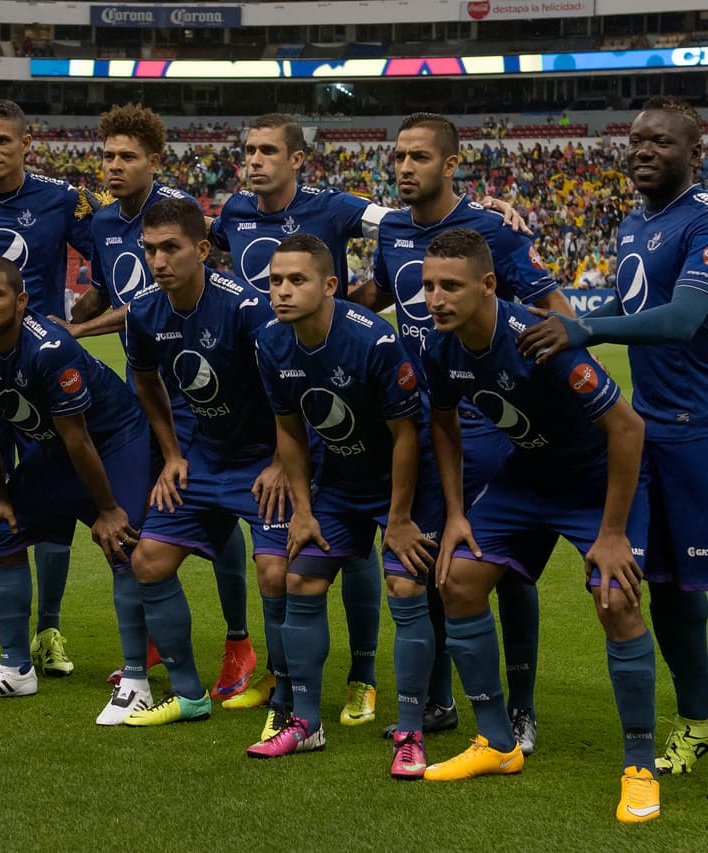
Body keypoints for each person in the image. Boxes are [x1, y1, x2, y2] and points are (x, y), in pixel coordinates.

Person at [517, 96, 708, 800]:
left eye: (660, 142)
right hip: (651, 424)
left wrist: (587, 331)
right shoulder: (636, 222)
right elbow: (632, 307)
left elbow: (687, 318)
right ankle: (701, 715)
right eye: (635, 141)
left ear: (694, 153)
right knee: (661, 582)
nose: (641, 151)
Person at [352, 112, 575, 753]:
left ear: (451, 164)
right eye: (398, 157)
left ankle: (522, 709)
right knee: (434, 563)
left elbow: (552, 307)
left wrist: (554, 385)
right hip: (417, 422)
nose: (404, 168)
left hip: (489, 424)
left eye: (419, 157)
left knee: (501, 568)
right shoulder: (392, 229)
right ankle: (444, 701)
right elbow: (377, 292)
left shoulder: (492, 230)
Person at [418, 228, 658, 823]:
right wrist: (454, 514)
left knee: (615, 597)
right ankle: (498, 744)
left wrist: (611, 534)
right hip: (527, 478)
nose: (437, 298)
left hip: (595, 482)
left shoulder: (536, 339)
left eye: (451, 286)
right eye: (428, 286)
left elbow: (628, 429)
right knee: (459, 582)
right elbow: (443, 427)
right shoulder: (439, 346)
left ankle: (641, 765)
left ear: (488, 285)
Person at [58, 103, 257, 701]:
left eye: (126, 157)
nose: (113, 168)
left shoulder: (177, 215)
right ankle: (151, 640)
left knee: (216, 520)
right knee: (147, 516)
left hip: (208, 385)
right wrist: (75, 315)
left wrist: (77, 332)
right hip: (149, 388)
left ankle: (238, 641)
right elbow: (106, 287)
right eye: (108, 157)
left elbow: (153, 294)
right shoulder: (100, 222)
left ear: (154, 161)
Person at [207, 112, 392, 721]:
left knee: (355, 543)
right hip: (272, 384)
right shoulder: (232, 213)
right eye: (248, 150)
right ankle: (283, 677)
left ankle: (362, 673)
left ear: (296, 160)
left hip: (333, 390)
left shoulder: (334, 208)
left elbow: (402, 223)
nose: (254, 160)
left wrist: (368, 299)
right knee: (280, 551)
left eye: (267, 151)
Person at [251, 235, 445, 778]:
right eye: (275, 281)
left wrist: (400, 519)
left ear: (330, 285)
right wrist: (305, 511)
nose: (282, 291)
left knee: (406, 586)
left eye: (297, 280)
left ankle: (409, 731)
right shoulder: (271, 342)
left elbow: (407, 434)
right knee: (301, 581)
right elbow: (289, 431)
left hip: (405, 480)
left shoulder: (373, 340)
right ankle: (305, 723)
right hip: (339, 478)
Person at [0, 99, 103, 679]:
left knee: (52, 501)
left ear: (25, 145)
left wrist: (74, 319)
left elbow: (107, 258)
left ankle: (47, 630)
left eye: (2, 141)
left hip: (40, 374)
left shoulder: (60, 196)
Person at [0, 256, 151, 720]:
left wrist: (108, 508)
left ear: (20, 302)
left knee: (123, 544)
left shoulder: (50, 348)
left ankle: (137, 679)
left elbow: (80, 437)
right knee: (4, 531)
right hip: (54, 447)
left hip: (113, 439)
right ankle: (17, 670)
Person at [119, 199, 291, 731]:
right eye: (149, 249)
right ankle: (190, 695)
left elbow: (290, 385)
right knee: (147, 561)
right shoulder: (145, 312)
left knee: (275, 573)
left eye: (170, 248)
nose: (157, 260)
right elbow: (146, 382)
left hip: (263, 461)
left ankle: (285, 694)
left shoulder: (246, 307)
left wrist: (284, 461)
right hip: (201, 460)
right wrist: (172, 454)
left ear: (201, 249)